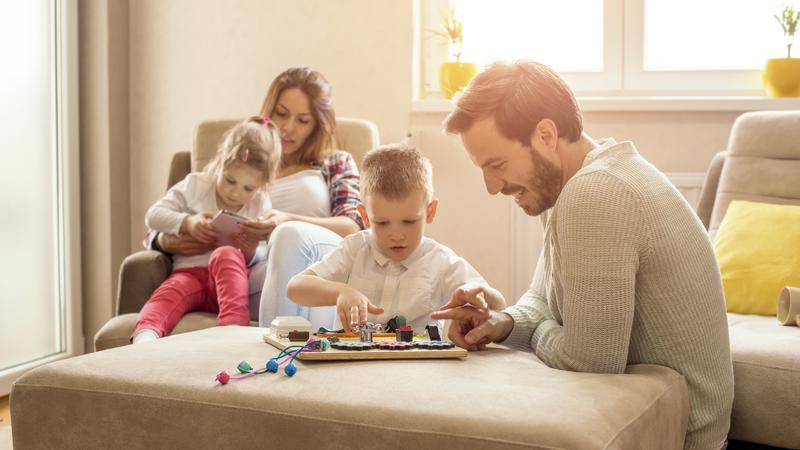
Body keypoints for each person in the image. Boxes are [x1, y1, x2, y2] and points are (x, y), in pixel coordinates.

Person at [431, 61, 733, 450]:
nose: (492, 187)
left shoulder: (596, 194)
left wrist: (539, 332)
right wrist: (500, 322)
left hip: (679, 436)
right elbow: (544, 300)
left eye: (497, 164)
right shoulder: (570, 185)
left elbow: (588, 362)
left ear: (545, 134)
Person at [148, 67, 365, 330]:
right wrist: (166, 241)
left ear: (318, 124)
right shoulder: (241, 161)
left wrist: (286, 221)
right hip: (248, 270)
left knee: (287, 237)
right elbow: (169, 214)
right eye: (281, 114)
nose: (287, 128)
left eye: (303, 120)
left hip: (310, 265)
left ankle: (277, 340)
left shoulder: (335, 162)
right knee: (239, 262)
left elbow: (354, 226)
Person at [287, 144, 505, 332]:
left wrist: (480, 294)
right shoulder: (355, 249)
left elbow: (499, 304)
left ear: (430, 212)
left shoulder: (441, 261)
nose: (397, 235)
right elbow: (296, 288)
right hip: (354, 365)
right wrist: (341, 292)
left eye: (409, 222)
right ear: (365, 216)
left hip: (414, 370)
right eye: (382, 223)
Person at [132, 117, 281, 344]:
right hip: (190, 272)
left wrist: (250, 251)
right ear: (220, 161)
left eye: (248, 188)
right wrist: (187, 223)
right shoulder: (196, 185)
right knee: (169, 293)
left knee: (227, 254)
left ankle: (232, 333)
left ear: (261, 185)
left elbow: (265, 252)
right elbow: (153, 215)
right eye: (230, 180)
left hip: (232, 279)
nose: (235, 193)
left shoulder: (260, 203)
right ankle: (146, 334)